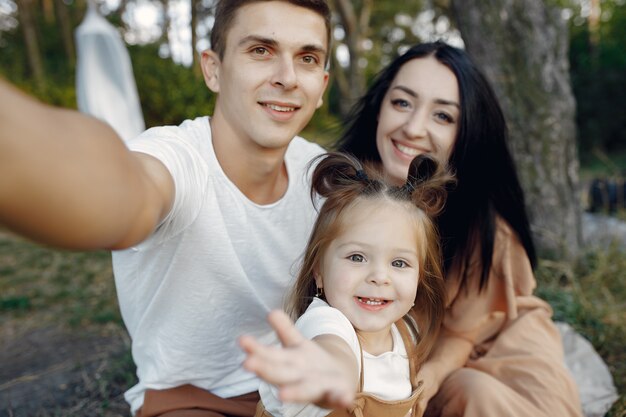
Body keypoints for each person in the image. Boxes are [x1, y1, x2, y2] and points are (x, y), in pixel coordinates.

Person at [0, 0, 331, 415]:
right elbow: (123, 192)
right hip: (191, 400)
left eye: (306, 58)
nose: (287, 78)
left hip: (300, 392)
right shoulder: (177, 158)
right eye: (260, 50)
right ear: (213, 69)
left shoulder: (318, 173)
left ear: (322, 85)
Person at [335, 41, 584, 417]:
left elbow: (464, 331)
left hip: (490, 336)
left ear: (467, 133)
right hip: (399, 345)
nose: (414, 128)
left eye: (443, 117)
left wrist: (431, 375)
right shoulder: (339, 191)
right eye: (402, 102)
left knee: (478, 396)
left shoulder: (480, 222)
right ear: (379, 108)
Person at [240, 152, 450, 417]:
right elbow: (333, 352)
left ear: (420, 277)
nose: (379, 276)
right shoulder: (325, 322)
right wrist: (329, 376)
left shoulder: (405, 333)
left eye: (399, 263)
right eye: (357, 257)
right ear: (319, 272)